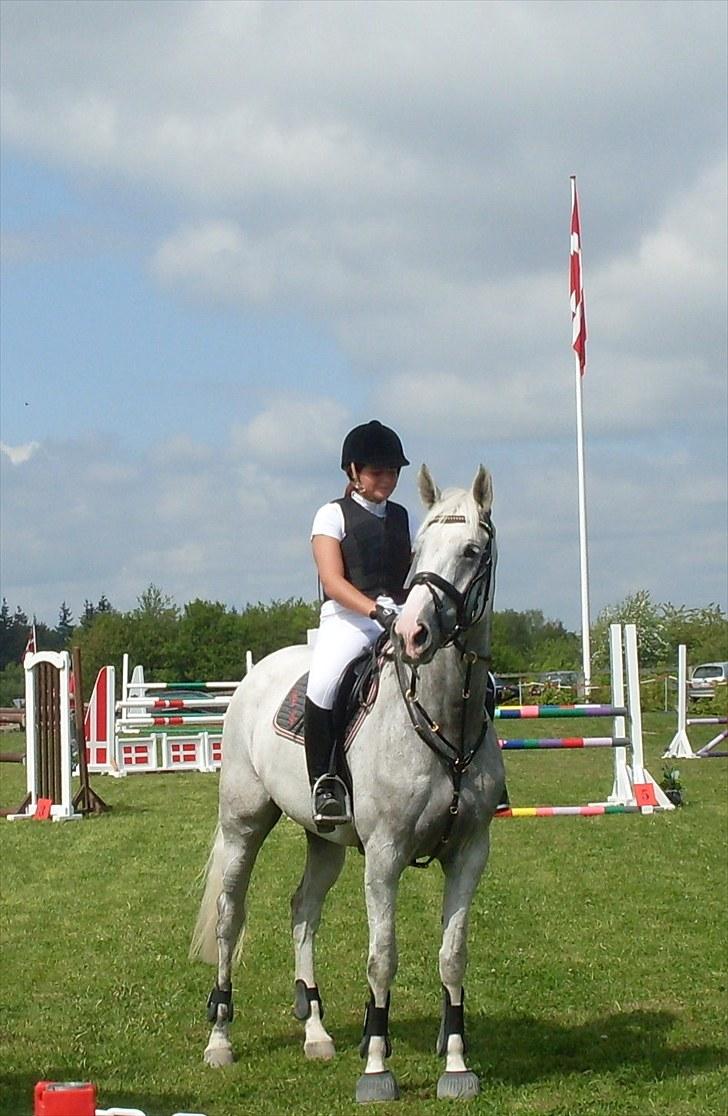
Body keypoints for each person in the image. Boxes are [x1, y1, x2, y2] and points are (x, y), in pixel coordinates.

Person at [305, 420, 412, 828]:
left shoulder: (402, 516)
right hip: (348, 618)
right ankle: (325, 782)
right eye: (377, 472)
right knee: (325, 684)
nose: (387, 480)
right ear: (353, 471)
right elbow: (333, 582)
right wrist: (376, 611)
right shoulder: (331, 515)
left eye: (393, 472)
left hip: (399, 614)